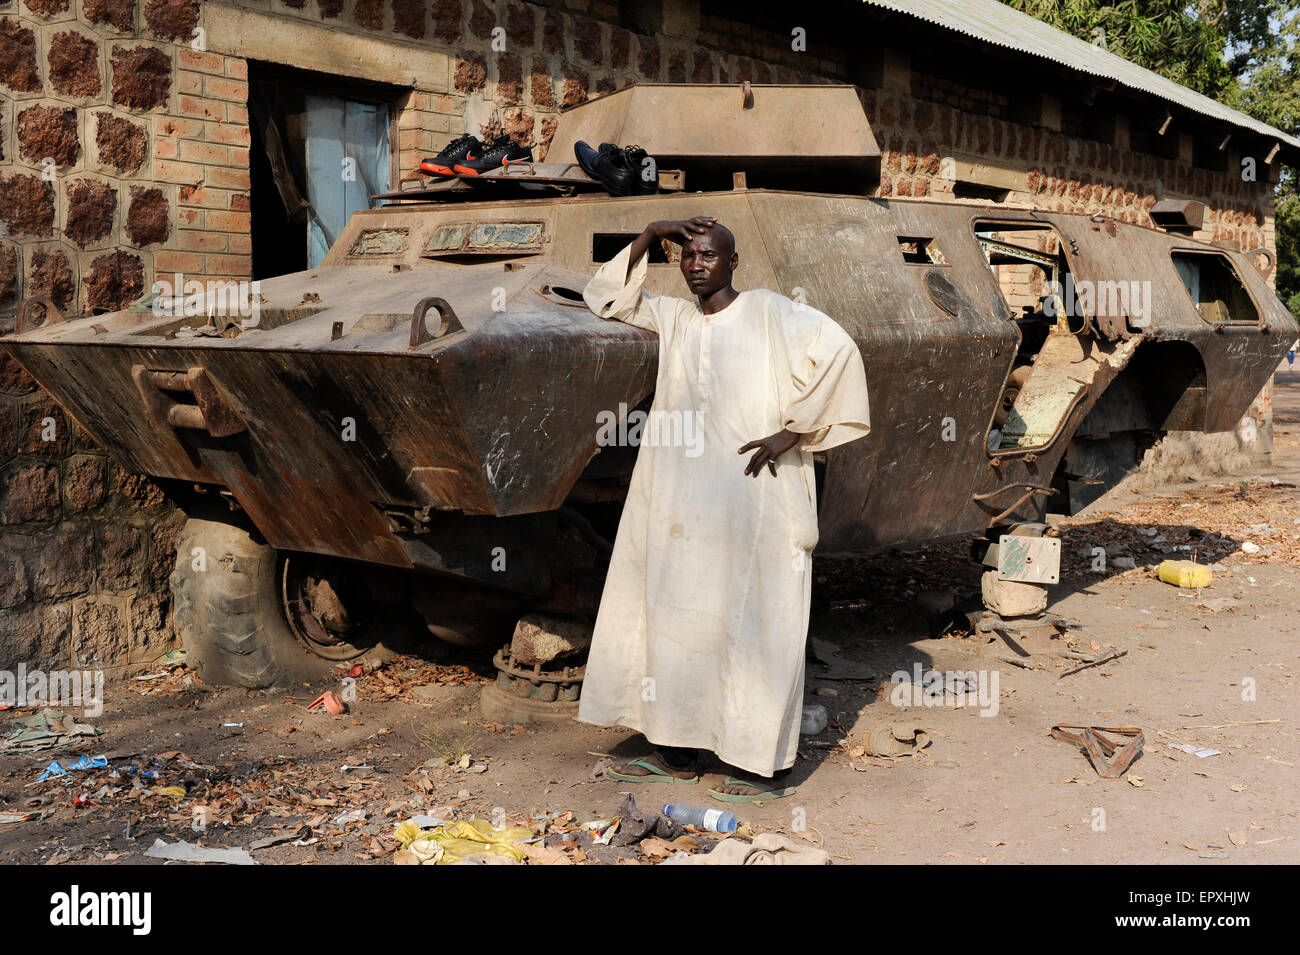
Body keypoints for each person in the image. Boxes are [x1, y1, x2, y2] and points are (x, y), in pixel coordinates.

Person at [577, 217, 871, 800]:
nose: (695, 264)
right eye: (686, 254)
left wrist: (793, 433)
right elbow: (604, 297)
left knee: (759, 621)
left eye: (708, 255)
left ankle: (763, 765)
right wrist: (652, 230)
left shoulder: (768, 311)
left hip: (757, 496)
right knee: (682, 617)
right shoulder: (676, 318)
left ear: (732, 263)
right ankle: (679, 750)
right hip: (684, 501)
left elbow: (840, 350)